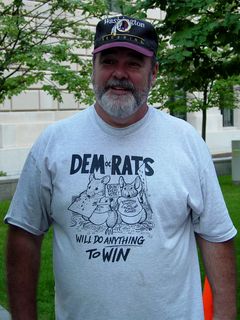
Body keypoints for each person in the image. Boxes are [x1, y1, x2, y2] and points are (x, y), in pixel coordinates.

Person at [4, 15, 237, 320]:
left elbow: (216, 236)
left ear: (154, 73)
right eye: (109, 61)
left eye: (134, 64)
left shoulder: (186, 141)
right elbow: (24, 234)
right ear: (93, 69)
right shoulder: (54, 143)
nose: (119, 73)